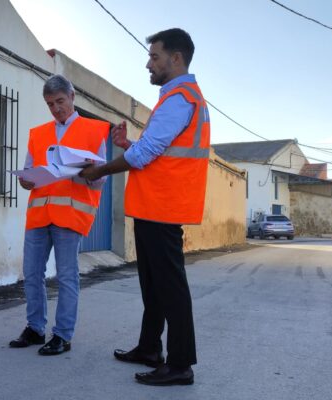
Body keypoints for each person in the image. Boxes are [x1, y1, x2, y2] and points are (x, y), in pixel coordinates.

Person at [79, 28, 210, 385]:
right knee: (153, 286)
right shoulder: (177, 99)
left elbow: (146, 154)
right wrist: (129, 143)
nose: (148, 64)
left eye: (154, 57)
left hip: (164, 207)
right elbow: (156, 148)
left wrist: (103, 168)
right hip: (156, 205)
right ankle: (150, 347)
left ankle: (181, 364)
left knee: (170, 287)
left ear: (176, 58)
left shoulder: (181, 97)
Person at [8, 75, 110, 356]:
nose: (56, 108)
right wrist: (25, 180)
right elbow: (29, 171)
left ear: (72, 96)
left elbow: (100, 179)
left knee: (66, 276)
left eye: (60, 101)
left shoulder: (94, 130)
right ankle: (35, 328)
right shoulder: (38, 133)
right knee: (31, 274)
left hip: (70, 214)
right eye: (50, 104)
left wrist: (89, 172)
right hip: (39, 213)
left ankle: (63, 335)